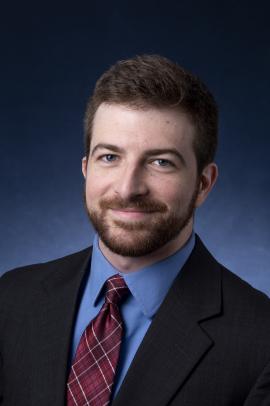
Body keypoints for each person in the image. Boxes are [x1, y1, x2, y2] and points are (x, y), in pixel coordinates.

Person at [1, 55, 270, 406]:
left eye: (161, 162)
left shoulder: (260, 341)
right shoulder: (11, 300)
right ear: (86, 168)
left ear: (203, 184)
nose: (128, 188)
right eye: (110, 157)